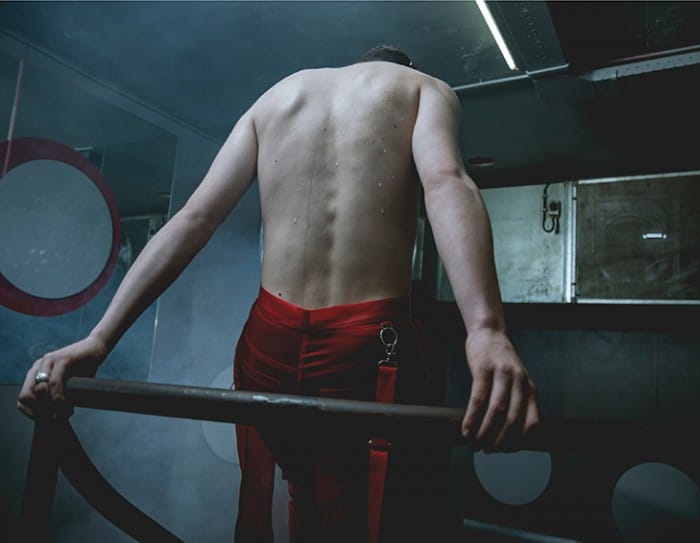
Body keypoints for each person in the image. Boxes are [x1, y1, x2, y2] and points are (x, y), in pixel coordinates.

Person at [18, 45, 540, 541]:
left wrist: (99, 340)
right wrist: (485, 330)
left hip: (268, 341)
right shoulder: (423, 87)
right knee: (365, 503)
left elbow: (195, 219)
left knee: (294, 487)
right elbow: (446, 182)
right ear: (404, 67)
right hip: (365, 346)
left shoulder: (277, 96)